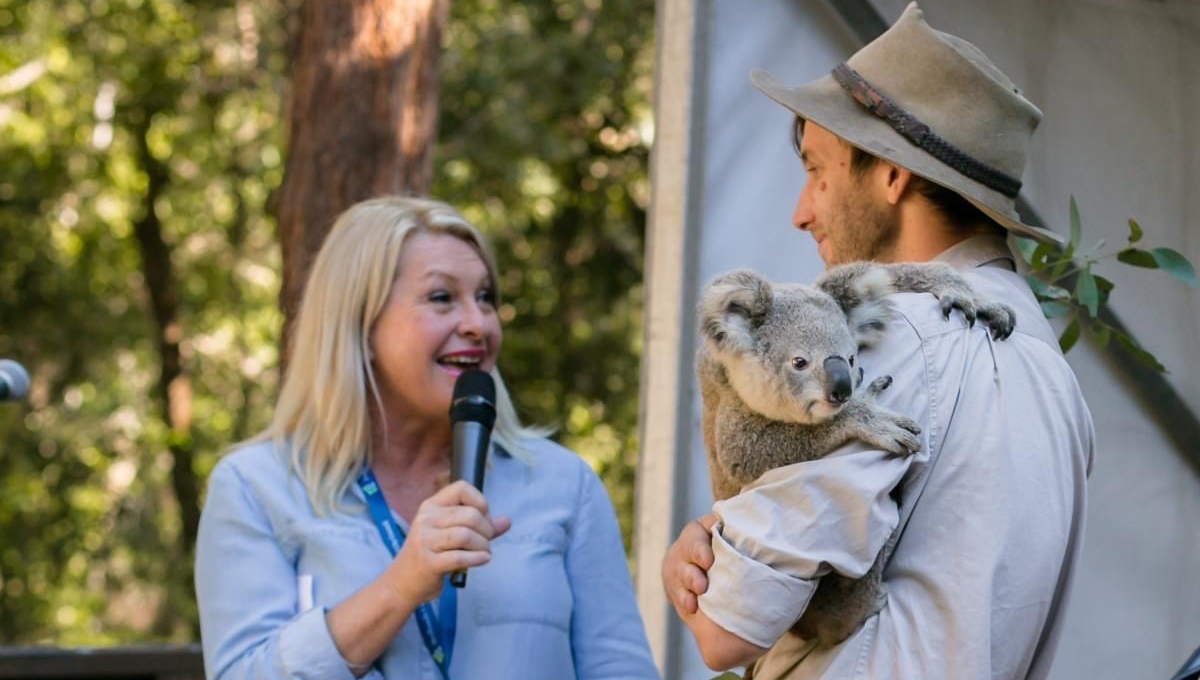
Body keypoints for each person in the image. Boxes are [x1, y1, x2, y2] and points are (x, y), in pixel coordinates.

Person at [660, 4, 1094, 679]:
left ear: (893, 175)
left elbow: (727, 628)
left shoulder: (901, 332)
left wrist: (694, 561)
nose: (801, 211)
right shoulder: (1047, 363)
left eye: (818, 172)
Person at [195, 196, 659, 680]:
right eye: (442, 297)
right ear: (360, 323)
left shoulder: (564, 484)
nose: (477, 324)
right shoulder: (255, 488)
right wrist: (401, 585)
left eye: (485, 298)